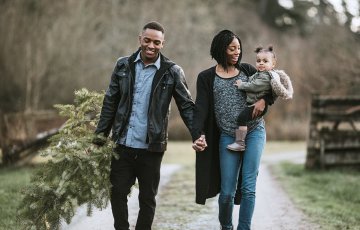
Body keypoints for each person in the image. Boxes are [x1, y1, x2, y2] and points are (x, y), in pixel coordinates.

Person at [93, 21, 194, 230]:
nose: (151, 46)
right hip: (123, 145)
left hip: (151, 148)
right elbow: (110, 102)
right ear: (140, 39)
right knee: (117, 192)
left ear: (163, 44)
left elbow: (186, 106)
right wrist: (99, 137)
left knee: (147, 199)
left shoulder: (172, 71)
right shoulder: (123, 65)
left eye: (156, 42)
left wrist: (198, 134)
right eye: (147, 40)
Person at [191, 30, 274, 230]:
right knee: (227, 192)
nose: (237, 52)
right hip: (228, 135)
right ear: (221, 50)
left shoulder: (247, 70)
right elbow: (200, 109)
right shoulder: (206, 77)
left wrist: (264, 100)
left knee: (248, 187)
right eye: (232, 48)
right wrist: (197, 135)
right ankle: (226, 226)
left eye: (238, 48)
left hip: (254, 132)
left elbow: (272, 85)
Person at [227, 45, 293, 151]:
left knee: (242, 118)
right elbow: (251, 79)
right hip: (253, 102)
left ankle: (240, 143)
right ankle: (242, 140)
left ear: (273, 64)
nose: (261, 63)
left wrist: (241, 85)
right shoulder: (259, 74)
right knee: (243, 119)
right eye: (258, 61)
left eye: (265, 61)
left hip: (258, 105)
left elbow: (254, 86)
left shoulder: (267, 77)